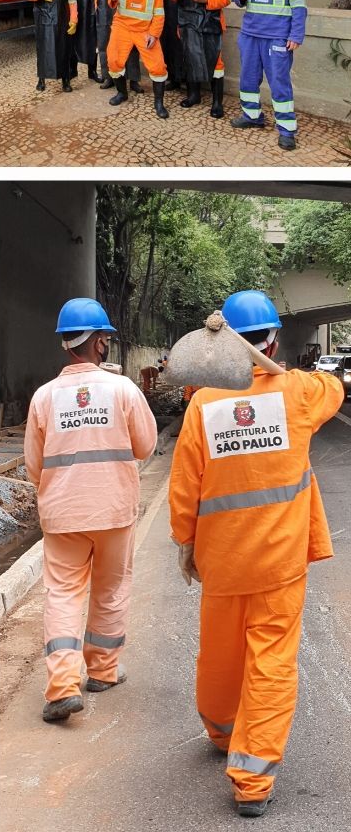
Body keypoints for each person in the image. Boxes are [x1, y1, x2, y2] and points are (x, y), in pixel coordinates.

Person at [169, 290, 342, 818]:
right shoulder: (299, 393)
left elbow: (184, 488)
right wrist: (285, 371)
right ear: (272, 340)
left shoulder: (203, 403)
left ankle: (221, 731)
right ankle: (252, 778)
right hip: (279, 562)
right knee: (270, 661)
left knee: (221, 652)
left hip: (222, 560)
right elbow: (334, 386)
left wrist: (186, 544)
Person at [23, 298, 157, 723]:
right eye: (106, 338)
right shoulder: (123, 390)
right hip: (114, 511)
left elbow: (32, 465)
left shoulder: (43, 398)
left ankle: (62, 687)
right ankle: (102, 671)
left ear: (66, 344)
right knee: (110, 590)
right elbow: (146, 447)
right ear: (99, 342)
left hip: (62, 514)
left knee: (62, 595)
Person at [230, 0, 308, 152]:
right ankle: (252, 115)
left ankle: (286, 130)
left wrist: (295, 35)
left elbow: (299, 7)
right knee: (248, 79)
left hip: (277, 36)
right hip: (250, 35)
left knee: (279, 83)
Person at [168, 0, 233, 117]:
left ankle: (217, 102)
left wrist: (207, 0)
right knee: (191, 58)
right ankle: (193, 95)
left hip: (211, 23)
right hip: (188, 23)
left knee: (215, 62)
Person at [105, 0, 170, 118]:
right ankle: (122, 93)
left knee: (158, 66)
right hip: (122, 26)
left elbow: (159, 12)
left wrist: (154, 35)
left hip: (145, 30)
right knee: (113, 60)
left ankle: (159, 103)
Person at [22, 0, 78, 92]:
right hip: (43, 22)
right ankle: (41, 79)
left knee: (64, 50)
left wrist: (74, 20)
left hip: (62, 20)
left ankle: (65, 80)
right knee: (43, 50)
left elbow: (72, 0)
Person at [159, 0, 185, 90]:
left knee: (179, 49)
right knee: (167, 48)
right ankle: (172, 78)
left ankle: (181, 78)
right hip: (165, 18)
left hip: (179, 16)